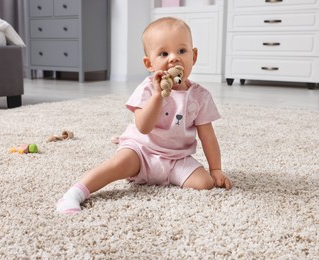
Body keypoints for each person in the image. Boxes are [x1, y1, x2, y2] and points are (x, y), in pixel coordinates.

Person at [57, 17, 232, 214]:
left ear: (194, 56)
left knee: (204, 183)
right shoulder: (148, 89)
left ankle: (165, 176)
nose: (174, 58)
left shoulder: (200, 96)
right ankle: (75, 194)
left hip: (176, 158)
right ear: (149, 63)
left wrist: (215, 169)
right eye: (164, 53)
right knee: (117, 164)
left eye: (181, 51)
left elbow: (208, 136)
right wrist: (158, 95)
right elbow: (143, 127)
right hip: (142, 151)